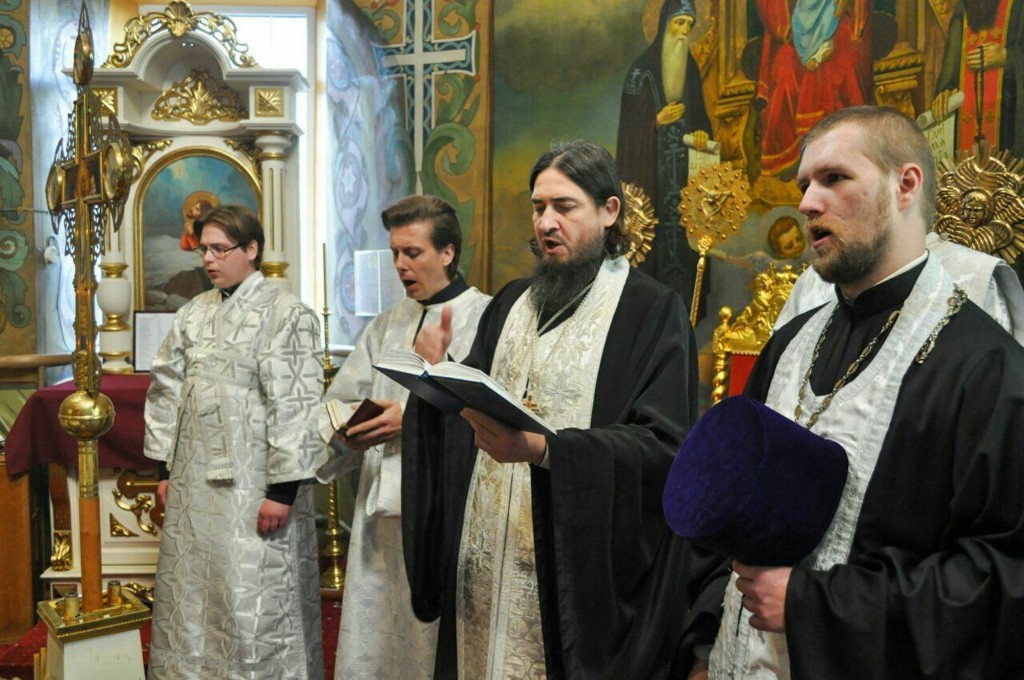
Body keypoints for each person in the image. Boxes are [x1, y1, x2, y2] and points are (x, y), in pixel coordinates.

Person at [679, 106, 1024, 679]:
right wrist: (701, 645)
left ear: (905, 185)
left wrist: (812, 604)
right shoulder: (790, 342)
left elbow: (1001, 578)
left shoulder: (984, 366)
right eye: (804, 185)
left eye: (834, 178)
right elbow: (731, 507)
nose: (808, 203)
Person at [402, 140, 709, 679]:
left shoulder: (652, 311)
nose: (546, 223)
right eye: (538, 207)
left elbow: (664, 448)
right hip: (486, 570)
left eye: (564, 207)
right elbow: (469, 406)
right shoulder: (511, 302)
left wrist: (547, 451)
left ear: (609, 211)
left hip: (574, 585)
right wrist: (434, 383)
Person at [144, 205, 326, 679]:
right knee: (194, 600)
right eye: (204, 249)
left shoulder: (287, 314)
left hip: (255, 487)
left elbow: (295, 403)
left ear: (252, 249)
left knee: (255, 601)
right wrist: (164, 470)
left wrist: (282, 491)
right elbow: (166, 389)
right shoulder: (192, 312)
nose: (208, 259)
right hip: (193, 487)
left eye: (220, 249)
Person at [324, 195, 490, 680]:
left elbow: (494, 414)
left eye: (412, 252)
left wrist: (415, 416)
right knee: (380, 637)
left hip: (447, 510)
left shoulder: (486, 317)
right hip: (380, 517)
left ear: (448, 252)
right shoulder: (387, 323)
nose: (400, 264)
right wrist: (351, 427)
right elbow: (341, 400)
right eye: (395, 252)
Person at [617, 0, 712, 315]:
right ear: (664, 25)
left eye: (688, 25)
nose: (684, 32)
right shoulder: (640, 71)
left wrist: (702, 135)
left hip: (684, 181)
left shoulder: (690, 68)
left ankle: (686, 315)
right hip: (651, 181)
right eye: (678, 24)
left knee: (684, 250)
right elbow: (628, 133)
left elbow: (701, 120)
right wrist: (655, 121)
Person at [753, 0, 872, 178]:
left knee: (843, 61)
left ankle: (845, 149)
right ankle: (799, 159)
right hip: (797, 20)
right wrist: (789, 29)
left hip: (836, 16)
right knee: (784, 68)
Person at [933, 0, 1024, 158]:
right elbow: (950, 72)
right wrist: (944, 93)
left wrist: (1006, 56)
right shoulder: (963, 9)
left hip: (1011, 128)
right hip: (966, 136)